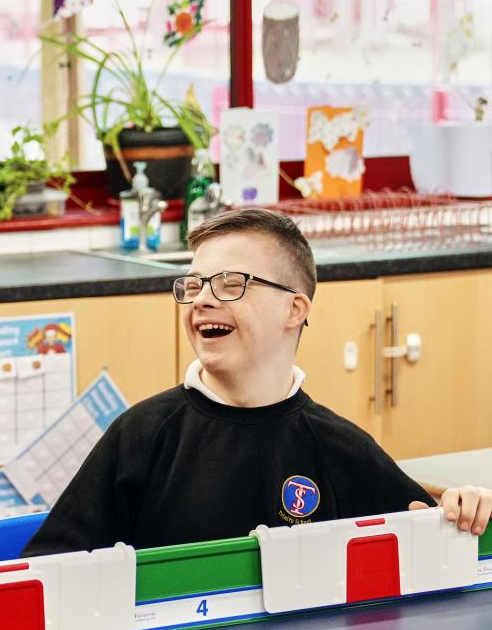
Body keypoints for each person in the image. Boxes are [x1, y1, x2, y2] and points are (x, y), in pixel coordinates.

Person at [25, 208, 491, 555]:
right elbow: (50, 569)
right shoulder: (143, 436)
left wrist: (463, 511)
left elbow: (427, 545)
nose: (202, 301)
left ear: (295, 309)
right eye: (193, 285)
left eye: (230, 283)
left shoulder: (339, 447)